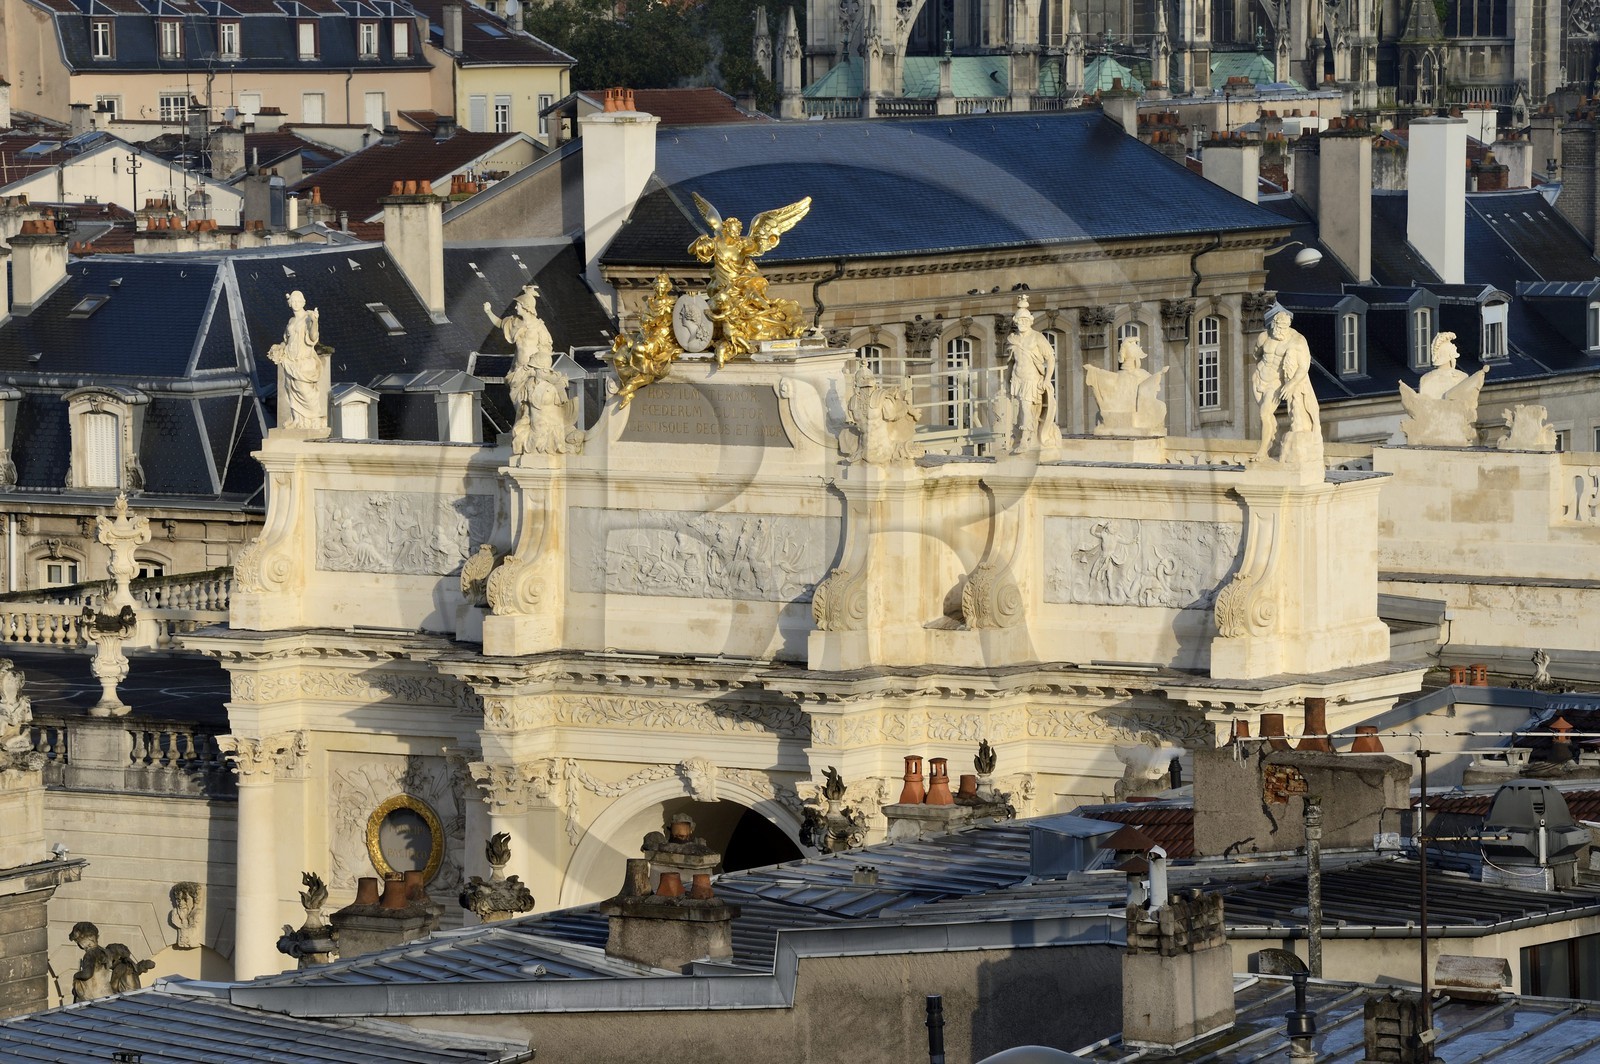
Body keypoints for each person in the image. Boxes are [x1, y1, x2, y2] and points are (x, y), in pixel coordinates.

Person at [1251, 307, 1320, 462]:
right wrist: (1258, 372)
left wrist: (1291, 384)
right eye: (1277, 326)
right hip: (1259, 379)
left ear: (1288, 326)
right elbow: (1257, 355)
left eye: (1283, 327)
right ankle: (1273, 443)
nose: (1280, 330)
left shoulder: (1297, 341)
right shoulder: (1264, 337)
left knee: (1264, 414)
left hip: (1276, 382)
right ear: (1273, 323)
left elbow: (1303, 367)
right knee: (1267, 416)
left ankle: (1262, 451)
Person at [267, 290, 325, 430]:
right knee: (291, 390)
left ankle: (315, 418)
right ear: (289, 303)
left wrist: (315, 321)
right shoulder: (291, 321)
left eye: (298, 301)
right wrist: (279, 347)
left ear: (303, 302)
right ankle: (297, 419)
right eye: (293, 301)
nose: (296, 303)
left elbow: (313, 337)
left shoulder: (308, 318)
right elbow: (287, 340)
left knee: (305, 391)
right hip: (290, 360)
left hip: (303, 361)